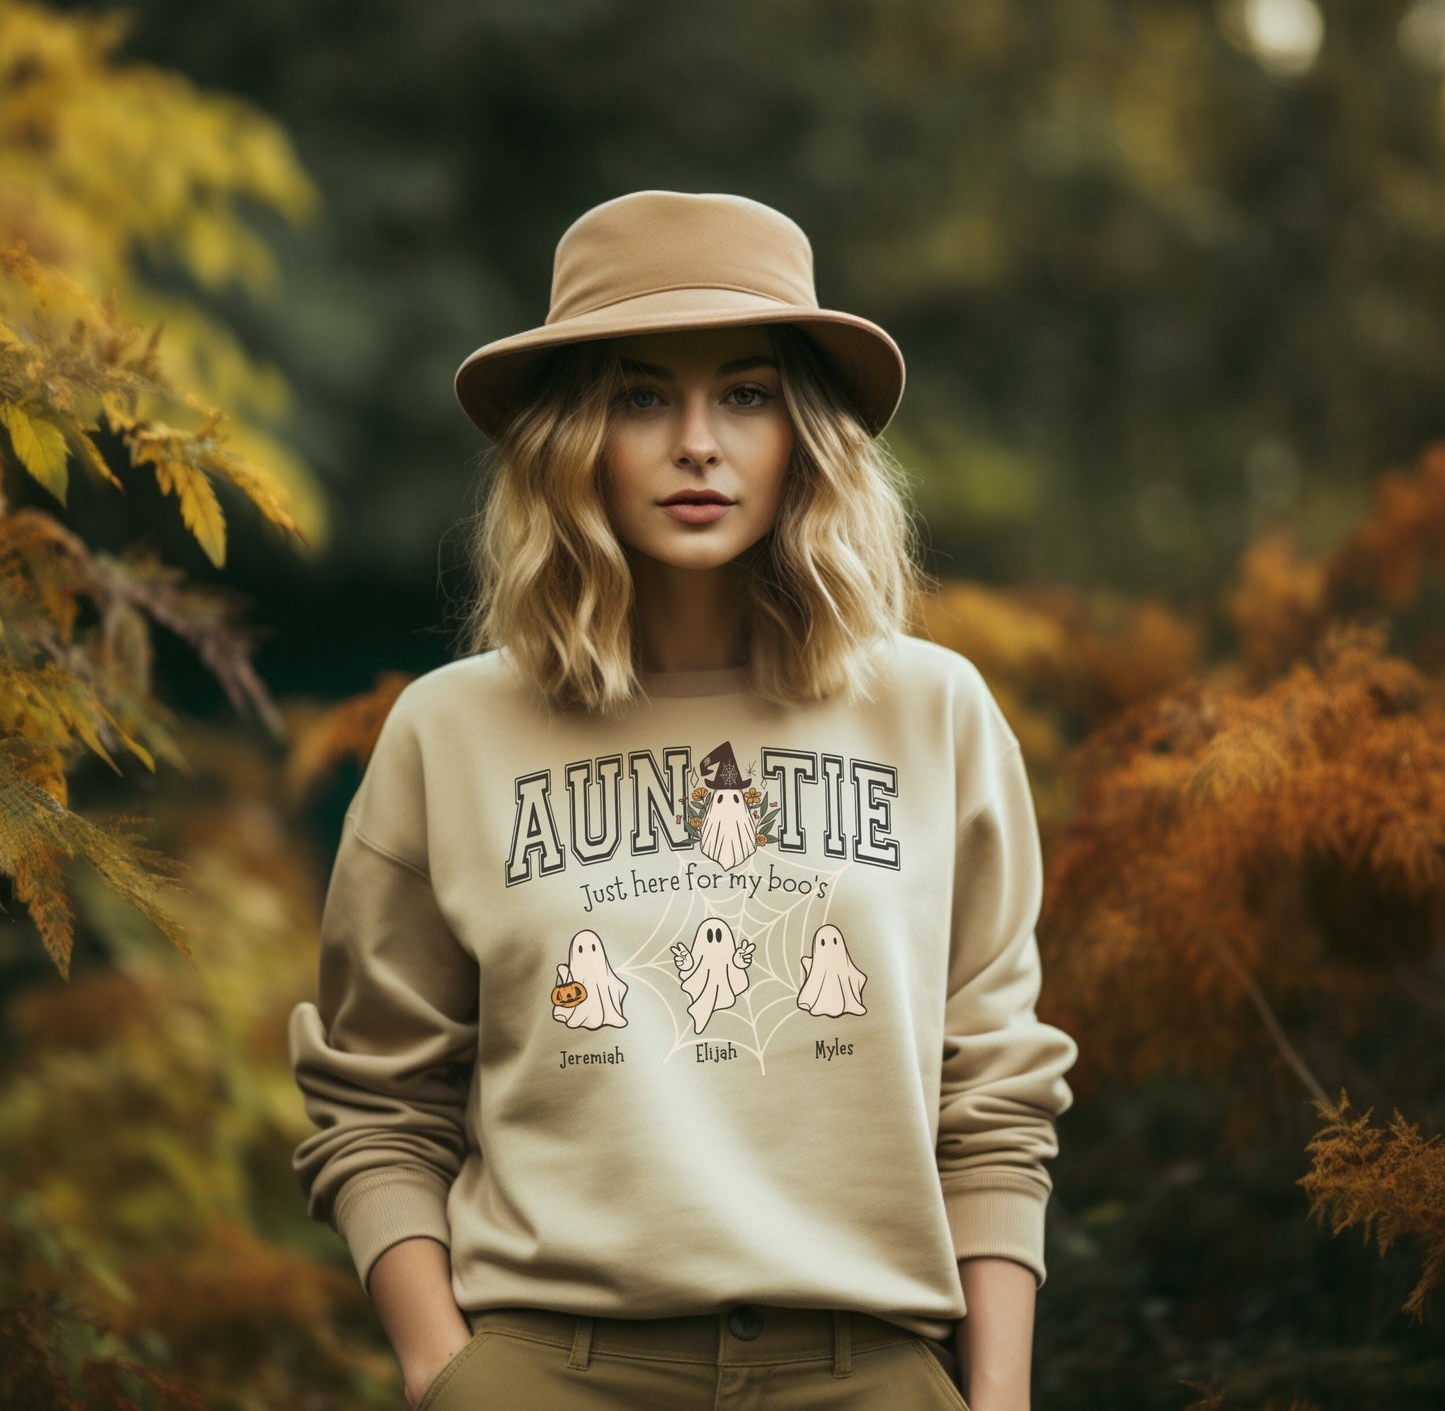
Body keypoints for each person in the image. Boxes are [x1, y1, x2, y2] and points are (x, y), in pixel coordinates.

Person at [288, 189, 1079, 1411]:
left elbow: (995, 1091)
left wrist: (996, 1395)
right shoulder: (449, 731)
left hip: (864, 1368)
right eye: (642, 395)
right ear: (569, 437)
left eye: (747, 394)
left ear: (805, 433)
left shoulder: (934, 713)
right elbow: (375, 1094)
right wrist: (443, 1369)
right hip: (550, 1368)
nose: (697, 442)